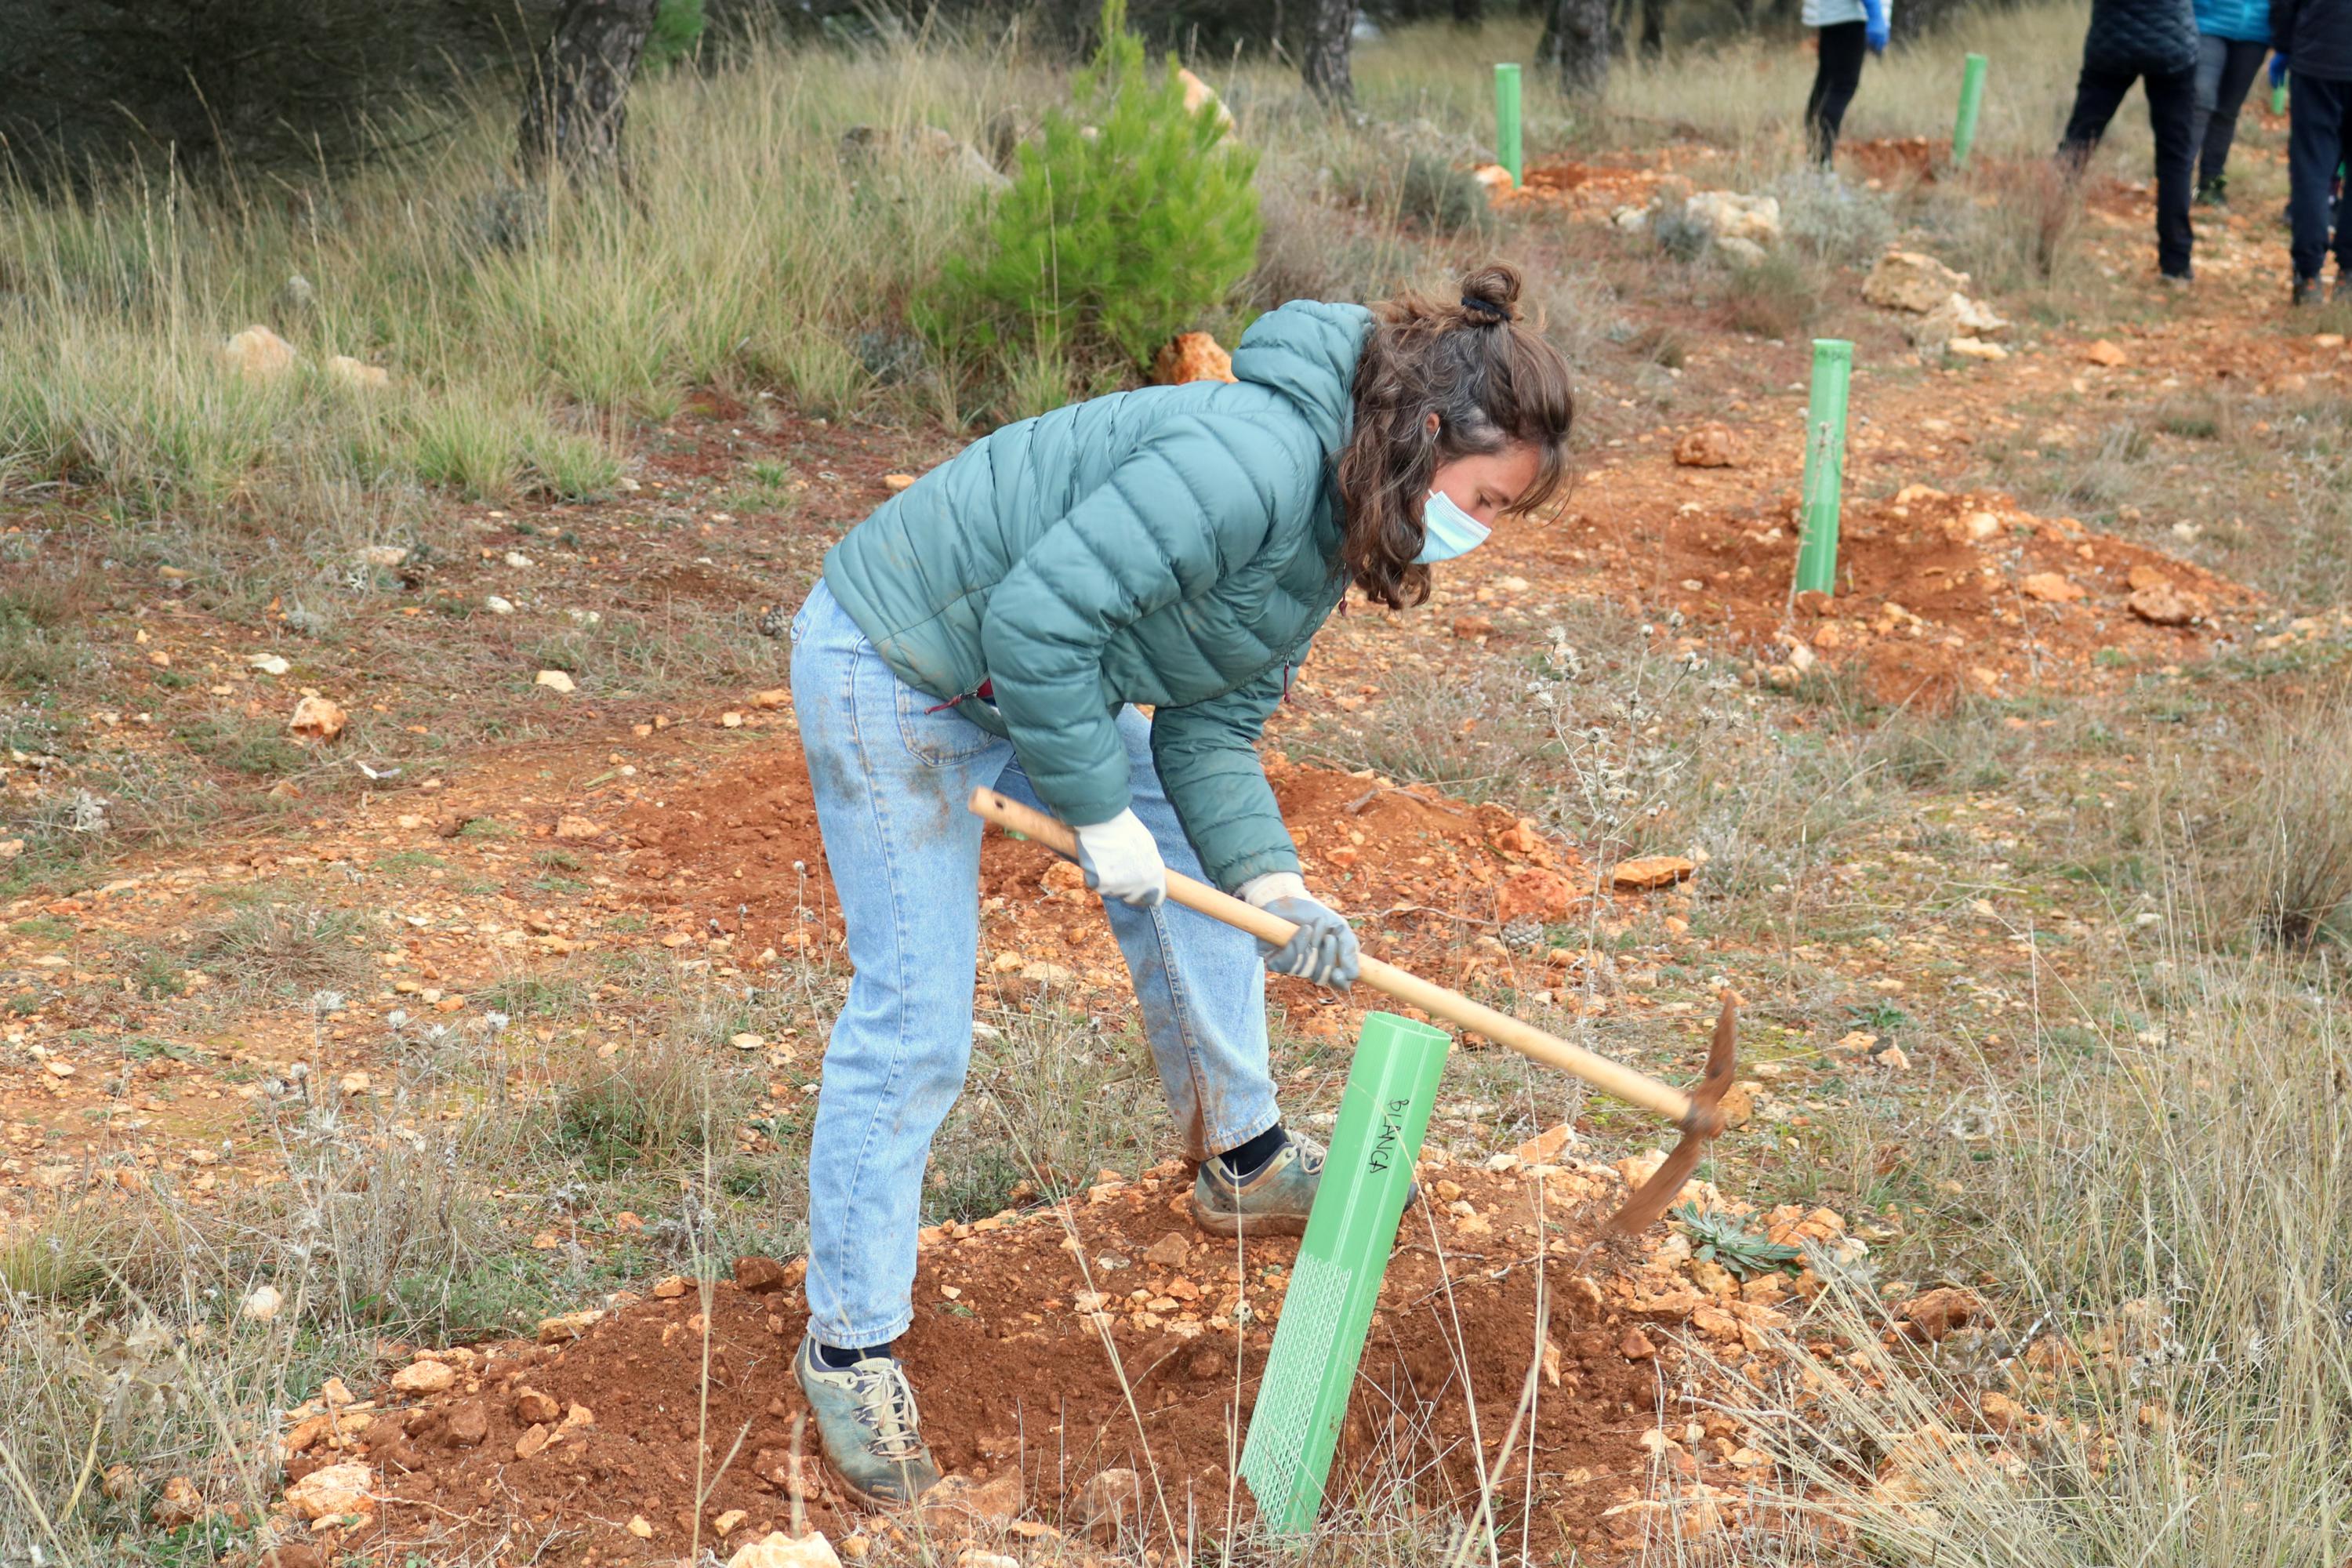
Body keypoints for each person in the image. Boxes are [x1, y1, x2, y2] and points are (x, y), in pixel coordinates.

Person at [782, 266, 1577, 1508]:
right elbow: (1039, 622)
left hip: (1043, 677)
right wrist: (1098, 815)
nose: (1475, 532)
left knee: (1202, 860)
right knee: (917, 1019)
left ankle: (1241, 1157)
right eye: (1483, 500)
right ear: (1430, 436)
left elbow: (1212, 729)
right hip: (903, 665)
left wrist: (1281, 888)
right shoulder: (1253, 460)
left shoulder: (1337, 512)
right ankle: (849, 1348)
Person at [2060, 0, 2204, 282]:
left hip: (2110, 43)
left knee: (2078, 143)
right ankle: (2176, 264)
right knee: (2175, 158)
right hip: (2172, 45)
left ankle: (2041, 230)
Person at [2275, 0, 2352, 299]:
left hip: (2318, 58)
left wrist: (2284, 45)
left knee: (2312, 168)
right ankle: (2348, 276)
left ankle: (2308, 275)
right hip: (2317, 57)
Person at [2191, 0, 2275, 203]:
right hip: (2207, 23)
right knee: (2201, 100)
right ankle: (2177, 179)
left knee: (2228, 111)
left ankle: (2211, 185)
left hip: (2257, 31)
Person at [1802, 0, 1891, 167]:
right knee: (1840, 88)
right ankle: (1821, 169)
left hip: (1835, 14)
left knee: (1826, 87)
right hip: (1853, 16)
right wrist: (1875, 13)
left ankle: (1815, 165)